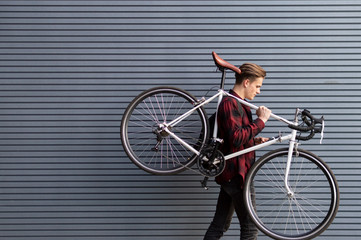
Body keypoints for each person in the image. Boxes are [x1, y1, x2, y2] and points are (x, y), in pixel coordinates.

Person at [204, 63, 272, 240]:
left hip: (233, 173)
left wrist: (252, 140)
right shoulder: (229, 103)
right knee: (250, 229)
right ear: (247, 82)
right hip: (237, 175)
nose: (259, 91)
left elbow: (232, 138)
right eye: (258, 86)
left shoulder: (240, 105)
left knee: (219, 226)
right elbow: (235, 137)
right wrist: (261, 121)